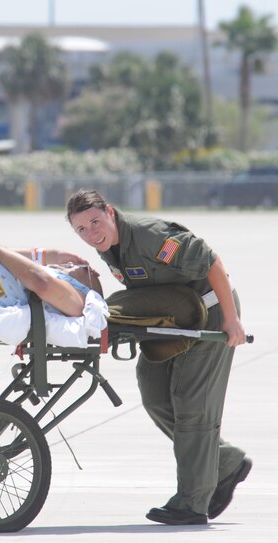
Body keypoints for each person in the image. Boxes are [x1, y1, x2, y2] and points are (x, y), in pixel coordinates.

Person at [65, 189, 252, 526]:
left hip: (210, 313)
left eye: (95, 222)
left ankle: (192, 502)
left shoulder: (150, 236)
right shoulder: (111, 248)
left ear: (110, 211)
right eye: (82, 230)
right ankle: (224, 462)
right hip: (173, 318)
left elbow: (210, 261)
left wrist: (231, 319)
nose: (91, 233)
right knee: (154, 395)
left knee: (191, 404)